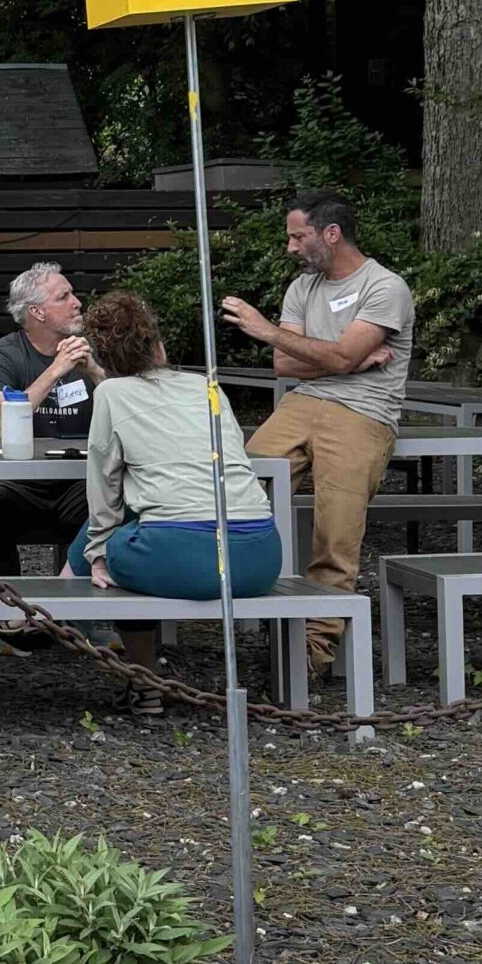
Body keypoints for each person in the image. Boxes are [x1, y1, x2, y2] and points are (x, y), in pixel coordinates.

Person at [64, 291, 281, 714]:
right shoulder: (207, 386)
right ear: (157, 346)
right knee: (124, 528)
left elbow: (103, 489)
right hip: (259, 554)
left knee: (102, 549)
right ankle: (49, 616)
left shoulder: (110, 394)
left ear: (104, 359)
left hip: (188, 559)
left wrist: (96, 553)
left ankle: (142, 679)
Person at [223, 191, 411, 677]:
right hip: (301, 404)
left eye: (297, 236)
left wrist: (272, 332)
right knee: (237, 487)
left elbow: (309, 353)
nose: (290, 247)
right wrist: (343, 358)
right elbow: (286, 364)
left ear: (331, 234)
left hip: (363, 414)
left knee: (336, 535)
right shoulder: (301, 288)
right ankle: (240, 602)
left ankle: (312, 654)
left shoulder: (385, 287)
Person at [0, 264, 99, 654]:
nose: (77, 303)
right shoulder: (3, 354)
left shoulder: (93, 346)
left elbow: (137, 405)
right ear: (37, 313)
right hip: (24, 482)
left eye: (73, 294)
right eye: (64, 297)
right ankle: (14, 610)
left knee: (110, 505)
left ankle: (83, 617)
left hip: (81, 480)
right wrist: (57, 370)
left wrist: (94, 368)